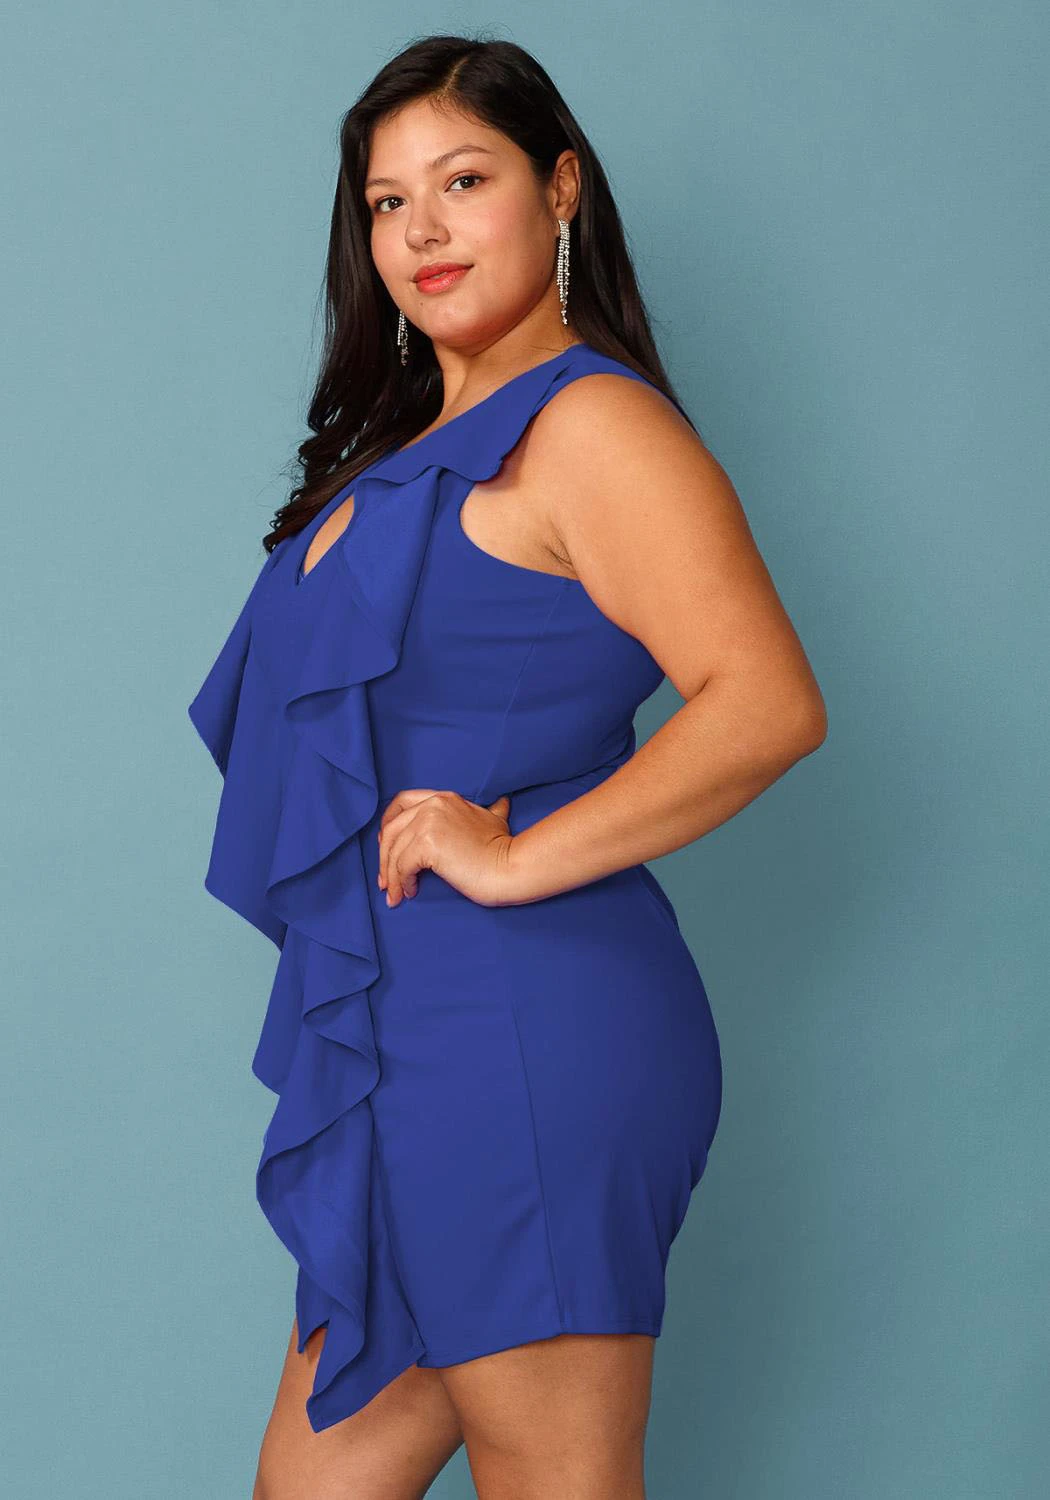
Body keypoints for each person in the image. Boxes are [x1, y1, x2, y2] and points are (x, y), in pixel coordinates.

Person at [188, 34, 827, 1500]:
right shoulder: (404, 444)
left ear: (561, 189)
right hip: (393, 1039)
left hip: (525, 1032)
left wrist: (521, 854)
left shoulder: (590, 426)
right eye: (386, 201)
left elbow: (766, 702)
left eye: (463, 181)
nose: (421, 228)